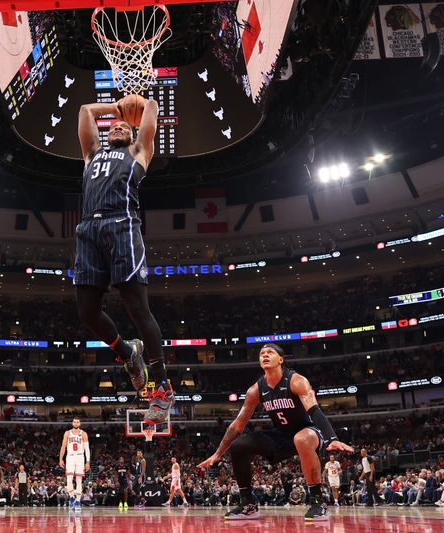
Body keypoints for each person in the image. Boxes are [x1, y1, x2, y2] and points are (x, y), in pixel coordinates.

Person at [74, 95, 173, 425]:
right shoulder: (92, 154)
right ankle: (128, 352)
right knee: (87, 312)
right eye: (112, 126)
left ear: (133, 137)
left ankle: (162, 389)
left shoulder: (138, 152)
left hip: (122, 224)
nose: (117, 125)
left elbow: (153, 111)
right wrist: (114, 110)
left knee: (136, 307)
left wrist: (141, 104)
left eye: (124, 126)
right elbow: (86, 109)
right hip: (88, 227)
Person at [197, 343, 353, 521]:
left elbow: (315, 411)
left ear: (281, 359)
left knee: (301, 439)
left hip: (309, 431)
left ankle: (318, 502)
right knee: (238, 446)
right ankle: (248, 504)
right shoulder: (256, 389)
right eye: (262, 353)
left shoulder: (296, 381)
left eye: (270, 352)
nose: (265, 355)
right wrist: (218, 454)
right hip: (282, 434)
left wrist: (331, 437)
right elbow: (237, 425)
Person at [59, 417, 90, 512]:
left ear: (80, 423)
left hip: (80, 457)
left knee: (79, 480)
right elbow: (63, 446)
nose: (76, 423)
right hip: (70, 456)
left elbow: (87, 448)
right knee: (68, 480)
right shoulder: (67, 433)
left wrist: (88, 461)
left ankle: (77, 501)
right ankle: (72, 496)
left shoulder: (84, 434)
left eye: (78, 422)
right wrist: (60, 459)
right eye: (74, 422)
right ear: (72, 423)